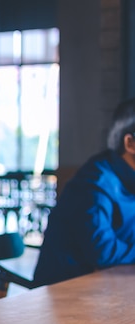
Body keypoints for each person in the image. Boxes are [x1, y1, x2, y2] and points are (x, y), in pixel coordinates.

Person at [34, 97, 135, 285]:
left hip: (106, 290)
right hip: (63, 295)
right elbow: (103, 253)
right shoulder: (95, 183)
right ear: (130, 144)